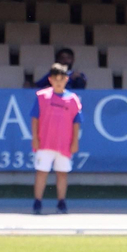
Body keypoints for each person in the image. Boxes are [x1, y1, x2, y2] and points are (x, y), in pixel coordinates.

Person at [31, 63, 81, 214]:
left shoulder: (72, 99)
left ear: (66, 79)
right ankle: (37, 202)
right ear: (50, 80)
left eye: (61, 79)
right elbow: (35, 118)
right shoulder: (42, 97)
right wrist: (35, 138)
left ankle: (61, 202)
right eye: (55, 79)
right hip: (45, 142)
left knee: (62, 173)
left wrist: (75, 141)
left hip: (64, 144)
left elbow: (76, 122)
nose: (58, 82)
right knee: (41, 172)